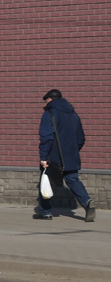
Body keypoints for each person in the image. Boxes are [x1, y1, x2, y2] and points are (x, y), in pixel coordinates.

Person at [36, 89, 95, 222]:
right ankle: (87, 202)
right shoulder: (74, 115)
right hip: (71, 157)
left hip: (53, 158)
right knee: (73, 180)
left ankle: (45, 212)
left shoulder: (49, 114)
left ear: (50, 99)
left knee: (46, 182)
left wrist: (44, 157)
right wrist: (72, 151)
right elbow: (81, 138)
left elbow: (46, 137)